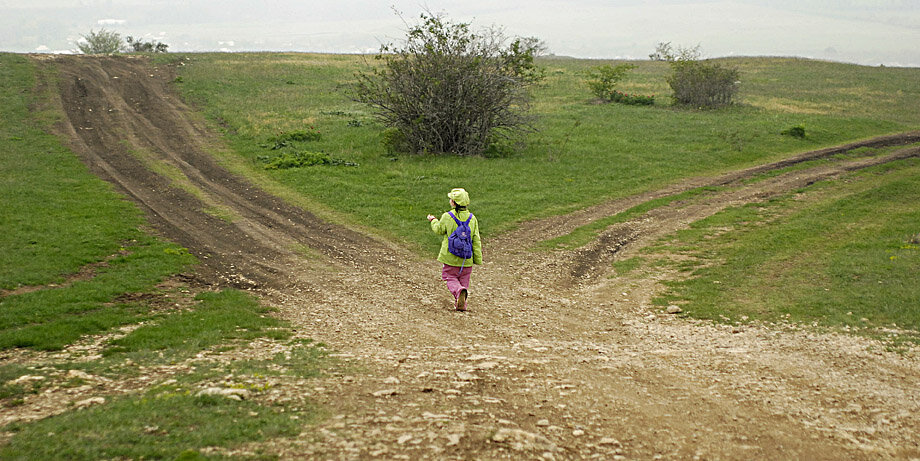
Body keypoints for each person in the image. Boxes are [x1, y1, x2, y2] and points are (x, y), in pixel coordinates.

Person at [427, 188, 483, 311]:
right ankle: (462, 300)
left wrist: (433, 220)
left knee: (450, 277)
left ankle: (458, 292)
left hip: (450, 257)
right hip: (466, 259)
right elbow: (476, 239)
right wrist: (477, 259)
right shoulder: (472, 219)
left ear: (453, 202)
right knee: (464, 280)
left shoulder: (447, 216)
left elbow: (439, 230)